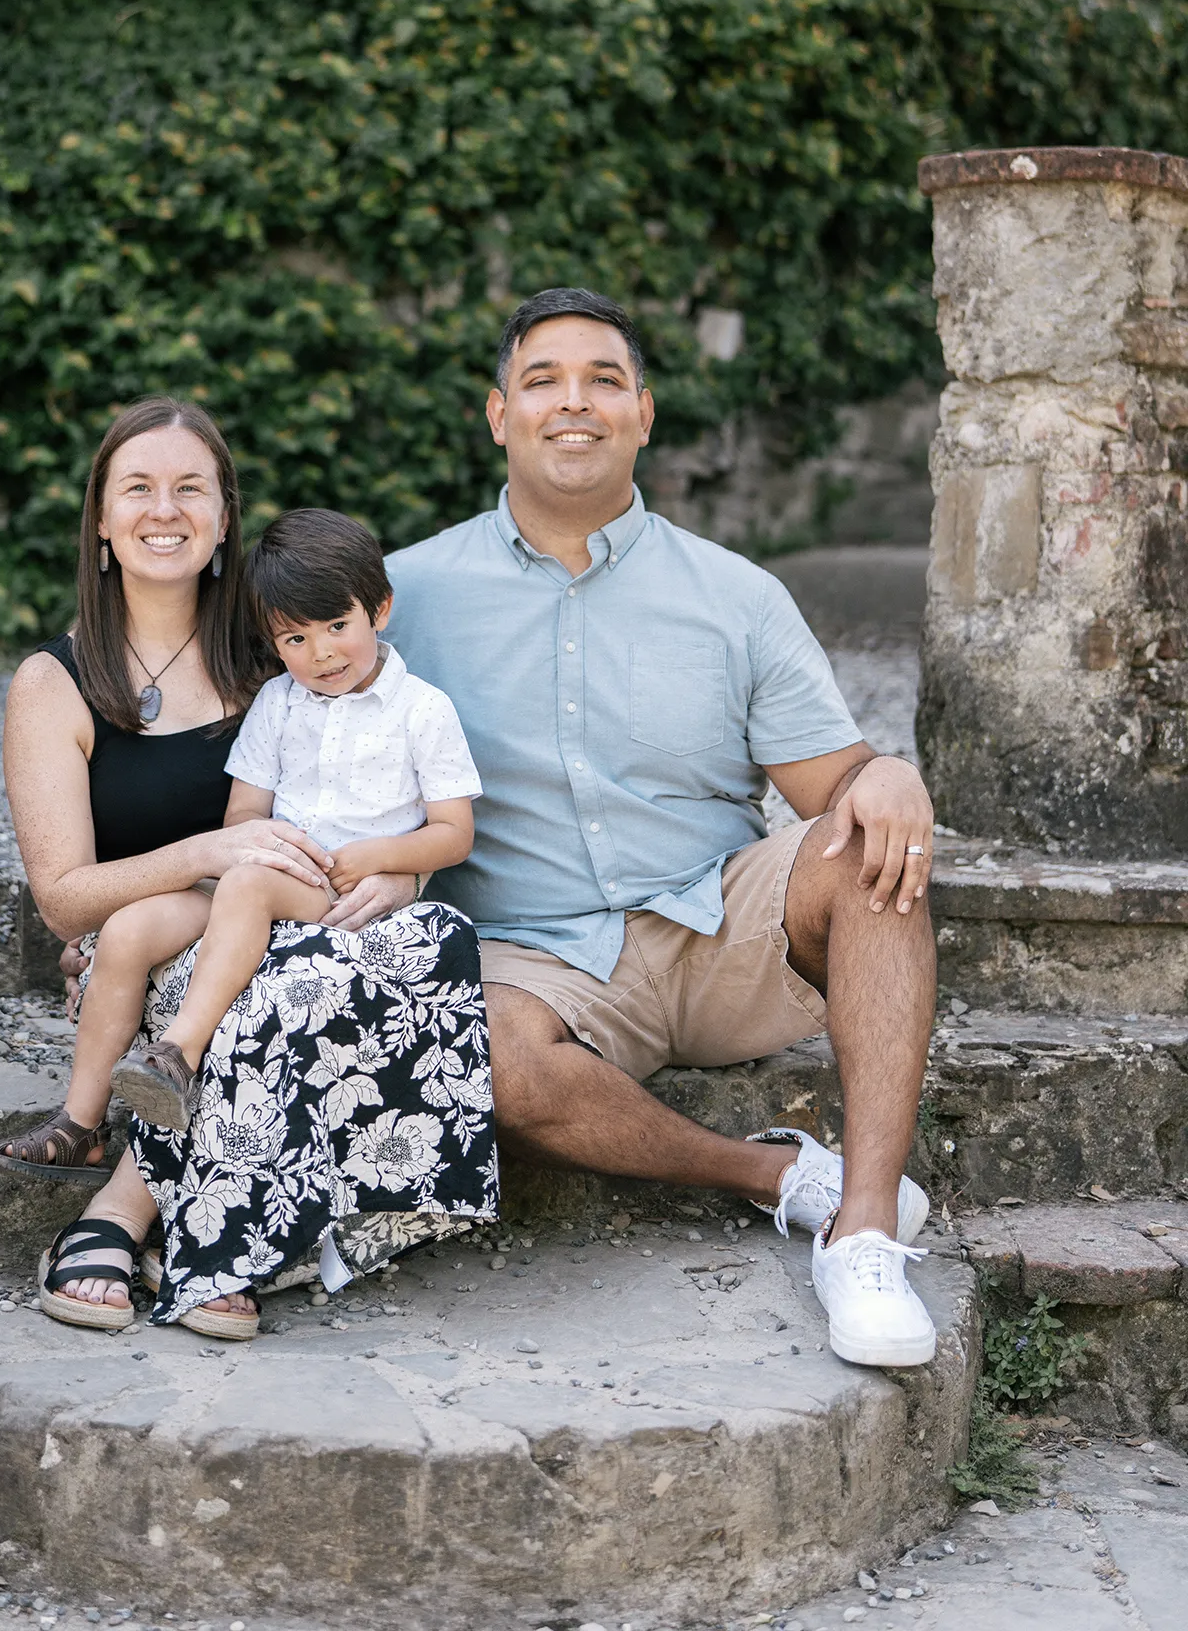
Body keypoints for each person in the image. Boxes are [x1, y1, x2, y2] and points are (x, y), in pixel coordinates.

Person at [386, 287, 940, 1370]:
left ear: (643, 413)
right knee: (484, 1053)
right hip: (533, 956)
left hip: (710, 922)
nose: (573, 403)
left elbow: (833, 779)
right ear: (498, 416)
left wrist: (890, 776)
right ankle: (776, 1176)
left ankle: (864, 1234)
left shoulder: (734, 595)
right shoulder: (405, 596)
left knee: (871, 849)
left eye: (602, 380)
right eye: (541, 381)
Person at [0, 397, 498, 1339]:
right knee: (253, 993)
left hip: (299, 921)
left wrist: (399, 873)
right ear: (100, 519)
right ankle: (154, 1220)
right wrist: (208, 854)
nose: (164, 509)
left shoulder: (283, 657)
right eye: (136, 488)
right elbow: (64, 903)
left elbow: (379, 797)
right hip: (145, 947)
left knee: (291, 984)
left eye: (192, 488)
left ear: (224, 519)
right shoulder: (54, 682)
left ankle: (160, 1224)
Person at [113, 506, 482, 1130]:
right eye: (295, 639)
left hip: (353, 895)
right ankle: (84, 1113)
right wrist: (261, 846)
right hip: (286, 873)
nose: (322, 653)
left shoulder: (423, 710)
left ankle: (180, 1051)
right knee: (148, 919)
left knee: (249, 885)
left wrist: (377, 856)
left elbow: (455, 835)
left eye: (338, 625)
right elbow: (246, 814)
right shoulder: (278, 704)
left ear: (380, 609)